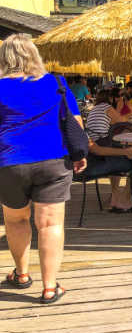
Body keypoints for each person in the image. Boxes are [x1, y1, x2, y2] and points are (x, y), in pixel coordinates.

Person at [0, 34, 87, 304]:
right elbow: (75, 124)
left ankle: (22, 274)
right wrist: (80, 154)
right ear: (34, 55)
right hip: (53, 160)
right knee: (50, 224)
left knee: (16, 220)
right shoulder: (57, 84)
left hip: (9, 162)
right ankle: (50, 287)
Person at [84, 88, 132, 212]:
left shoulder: (95, 109)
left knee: (125, 146)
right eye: (117, 97)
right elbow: (122, 121)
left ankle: (115, 198)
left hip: (97, 150)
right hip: (103, 149)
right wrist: (122, 109)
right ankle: (124, 199)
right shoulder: (107, 107)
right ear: (111, 98)